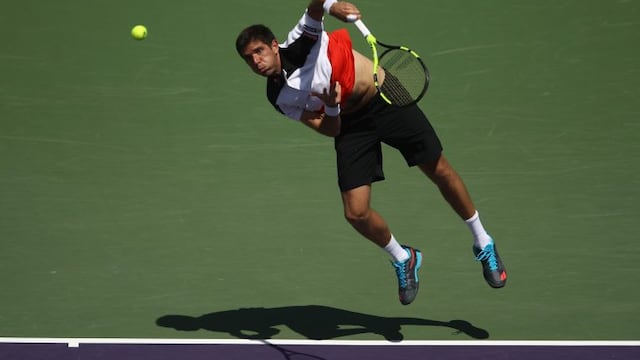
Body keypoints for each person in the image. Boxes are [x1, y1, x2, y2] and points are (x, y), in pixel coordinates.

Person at [235, 0, 507, 305]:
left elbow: (314, 7)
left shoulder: (300, 41)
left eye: (259, 52)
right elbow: (329, 129)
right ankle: (404, 257)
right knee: (355, 212)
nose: (256, 61)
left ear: (274, 46)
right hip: (350, 124)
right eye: (248, 59)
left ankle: (483, 240)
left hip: (384, 97)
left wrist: (331, 5)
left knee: (439, 170)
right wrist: (332, 106)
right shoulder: (278, 96)